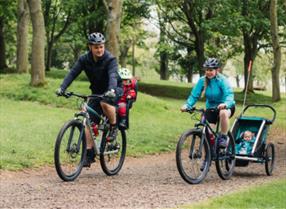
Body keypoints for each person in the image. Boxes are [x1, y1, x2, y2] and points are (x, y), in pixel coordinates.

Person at [56, 32, 123, 167]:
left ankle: (114, 126)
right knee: (88, 122)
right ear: (90, 47)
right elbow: (72, 73)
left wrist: (111, 90)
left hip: (113, 90)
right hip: (96, 92)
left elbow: (112, 77)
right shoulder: (84, 59)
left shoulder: (110, 60)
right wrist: (62, 87)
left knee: (105, 103)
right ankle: (89, 154)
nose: (99, 50)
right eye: (96, 47)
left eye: (101, 47)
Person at [180, 57, 235, 148]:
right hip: (211, 108)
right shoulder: (202, 80)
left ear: (217, 70)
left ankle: (224, 137)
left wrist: (225, 104)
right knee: (208, 133)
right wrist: (187, 105)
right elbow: (194, 95)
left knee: (223, 113)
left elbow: (229, 94)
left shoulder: (222, 80)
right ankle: (211, 152)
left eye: (211, 70)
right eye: (206, 70)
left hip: (226, 106)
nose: (208, 72)